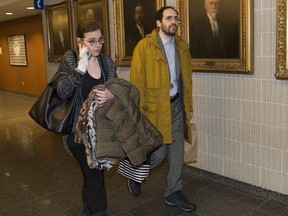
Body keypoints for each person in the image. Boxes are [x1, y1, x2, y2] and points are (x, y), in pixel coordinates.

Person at [129, 6, 196, 212]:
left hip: (175, 106)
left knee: (177, 153)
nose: (173, 21)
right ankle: (136, 173)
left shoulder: (182, 48)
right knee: (158, 154)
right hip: (152, 109)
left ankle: (173, 192)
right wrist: (137, 114)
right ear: (158, 23)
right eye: (168, 18)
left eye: (175, 18)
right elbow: (136, 83)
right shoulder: (144, 47)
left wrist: (188, 106)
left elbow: (187, 80)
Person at [55, 18, 117, 216]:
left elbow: (117, 89)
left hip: (102, 130)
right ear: (79, 41)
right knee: (94, 175)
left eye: (100, 40)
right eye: (92, 41)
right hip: (78, 132)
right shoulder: (71, 59)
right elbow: (62, 91)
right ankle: (98, 211)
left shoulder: (106, 62)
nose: (97, 45)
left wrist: (111, 94)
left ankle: (89, 205)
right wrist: (80, 69)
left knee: (91, 174)